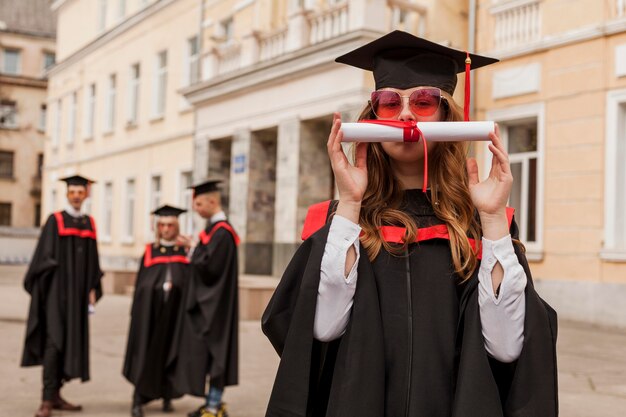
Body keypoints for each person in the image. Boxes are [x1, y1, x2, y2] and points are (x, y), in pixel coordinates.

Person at [262, 31, 558, 417]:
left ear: (447, 114)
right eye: (388, 102)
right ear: (372, 116)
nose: (404, 114)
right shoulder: (340, 224)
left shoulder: (481, 225)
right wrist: (351, 203)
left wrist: (491, 220)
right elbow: (321, 332)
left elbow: (506, 348)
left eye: (423, 101)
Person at [21, 175, 103, 417]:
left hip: (78, 296)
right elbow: (42, 258)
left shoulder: (89, 223)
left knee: (69, 343)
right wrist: (50, 285)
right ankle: (46, 399)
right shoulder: (55, 221)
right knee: (53, 343)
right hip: (56, 294)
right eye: (72, 192)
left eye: (80, 192)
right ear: (67, 194)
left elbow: (93, 261)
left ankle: (56, 394)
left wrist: (92, 287)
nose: (76, 195)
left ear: (85, 194)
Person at [173, 179, 239, 417]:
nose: (196, 208)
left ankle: (214, 405)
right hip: (213, 303)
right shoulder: (214, 231)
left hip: (216, 306)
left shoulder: (223, 233)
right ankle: (211, 402)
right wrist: (195, 247)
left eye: (199, 203)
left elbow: (210, 269)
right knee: (211, 354)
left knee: (216, 353)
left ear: (212, 201)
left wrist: (192, 250)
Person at [123, 205, 190, 417]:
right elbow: (142, 284)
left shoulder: (184, 252)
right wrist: (157, 288)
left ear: (176, 226)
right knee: (145, 351)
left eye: (170, 225)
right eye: (162, 225)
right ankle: (138, 398)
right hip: (150, 314)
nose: (166, 229)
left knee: (171, 350)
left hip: (174, 312)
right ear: (157, 227)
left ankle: (167, 394)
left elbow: (188, 282)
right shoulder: (150, 251)